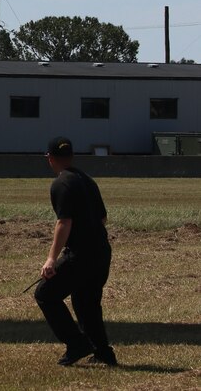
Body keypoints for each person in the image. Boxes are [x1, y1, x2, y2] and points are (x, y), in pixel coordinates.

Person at [34, 136, 117, 367]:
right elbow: (102, 218)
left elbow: (64, 222)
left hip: (81, 254)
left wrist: (51, 259)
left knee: (45, 294)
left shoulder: (61, 183)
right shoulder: (88, 181)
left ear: (49, 158)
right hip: (101, 252)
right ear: (70, 156)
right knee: (86, 303)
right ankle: (103, 353)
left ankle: (76, 343)